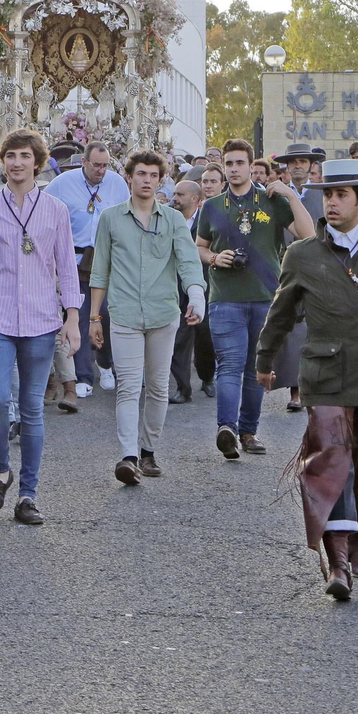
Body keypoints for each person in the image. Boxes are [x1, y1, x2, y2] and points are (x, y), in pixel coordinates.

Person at [256, 159, 358, 600]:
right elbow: (282, 311)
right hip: (325, 372)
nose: (331, 202)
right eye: (327, 195)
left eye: (341, 195)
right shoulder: (303, 253)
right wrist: (264, 358)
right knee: (331, 459)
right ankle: (338, 561)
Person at [0, 129, 81, 526]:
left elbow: (67, 267)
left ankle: (28, 495)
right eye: (10, 156)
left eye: (24, 156)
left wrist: (74, 317)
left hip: (42, 321)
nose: (16, 163)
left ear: (37, 162)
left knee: (32, 409)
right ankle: (1, 470)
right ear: (1, 161)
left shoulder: (55, 210)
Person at [194, 139, 313, 460]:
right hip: (225, 298)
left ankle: (248, 432)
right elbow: (200, 247)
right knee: (230, 365)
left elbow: (307, 234)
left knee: (257, 368)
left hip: (266, 297)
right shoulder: (212, 206)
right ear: (224, 168)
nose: (234, 169)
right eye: (229, 164)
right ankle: (227, 429)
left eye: (239, 163)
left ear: (250, 166)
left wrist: (289, 193)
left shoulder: (272, 200)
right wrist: (215, 258)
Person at [88, 150, 203, 484]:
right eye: (141, 174)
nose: (147, 181)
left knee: (156, 386)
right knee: (127, 387)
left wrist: (196, 294)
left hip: (163, 314)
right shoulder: (110, 218)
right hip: (123, 314)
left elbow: (187, 262)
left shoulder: (173, 220)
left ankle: (149, 450)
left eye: (153, 175)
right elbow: (100, 270)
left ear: (160, 179)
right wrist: (94, 317)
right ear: (129, 177)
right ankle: (127, 456)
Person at [46, 142, 130, 404]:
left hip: (109, 260)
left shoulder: (117, 184)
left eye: (105, 166)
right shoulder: (61, 183)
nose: (101, 171)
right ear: (84, 162)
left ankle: (105, 365)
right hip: (76, 260)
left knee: (104, 315)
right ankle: (83, 377)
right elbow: (43, 210)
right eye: (96, 165)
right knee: (80, 318)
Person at [269, 142, 328, 412]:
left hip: (321, 268)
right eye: (292, 162)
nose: (297, 166)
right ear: (286, 166)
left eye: (303, 161)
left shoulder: (323, 195)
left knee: (317, 328)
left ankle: (317, 386)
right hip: (285, 268)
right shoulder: (275, 196)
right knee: (292, 329)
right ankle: (296, 391)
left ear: (311, 165)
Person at [168, 179, 216, 403]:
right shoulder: (167, 217)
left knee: (205, 336)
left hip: (203, 285)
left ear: (195, 199)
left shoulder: (207, 220)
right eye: (174, 194)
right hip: (174, 286)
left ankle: (207, 378)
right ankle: (182, 388)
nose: (174, 198)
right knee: (179, 338)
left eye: (180, 195)